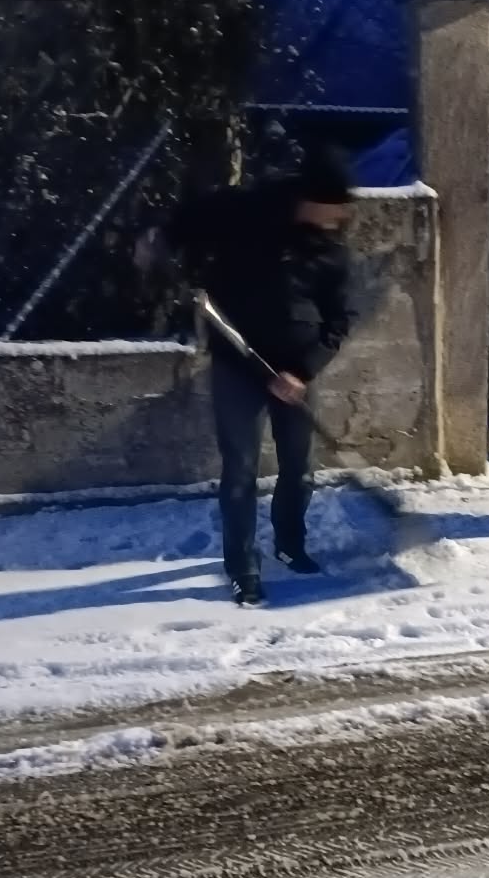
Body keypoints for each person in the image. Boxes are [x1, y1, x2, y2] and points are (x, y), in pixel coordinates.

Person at [142, 145, 358, 608]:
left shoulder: (331, 251)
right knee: (240, 470)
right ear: (310, 197)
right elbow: (189, 220)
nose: (341, 216)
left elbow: (339, 321)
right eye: (334, 206)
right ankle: (243, 568)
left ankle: (290, 543)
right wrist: (161, 241)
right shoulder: (248, 212)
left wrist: (302, 372)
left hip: (295, 374)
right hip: (237, 363)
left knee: (299, 469)